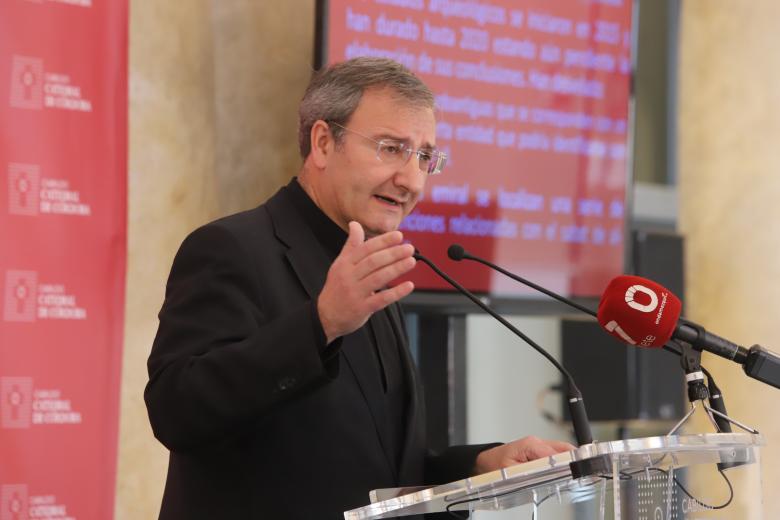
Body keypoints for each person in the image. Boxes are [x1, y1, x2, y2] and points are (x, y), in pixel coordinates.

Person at [145, 57, 573, 519]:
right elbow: (176, 411)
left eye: (425, 157)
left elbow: (384, 472)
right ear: (324, 143)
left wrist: (481, 464)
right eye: (391, 148)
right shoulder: (231, 248)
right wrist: (322, 323)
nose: (411, 180)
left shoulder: (373, 270)